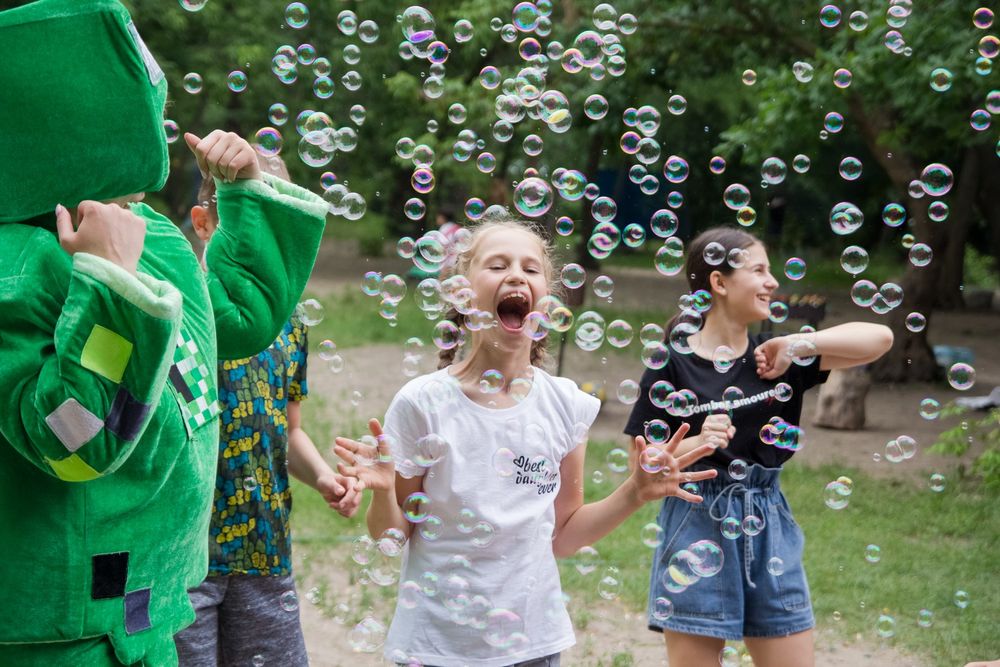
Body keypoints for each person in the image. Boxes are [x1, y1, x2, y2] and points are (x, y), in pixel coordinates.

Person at [0, 1, 329, 664]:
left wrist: (245, 196)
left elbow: (235, 319)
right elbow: (71, 437)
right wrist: (106, 281)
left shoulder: (155, 244)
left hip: (154, 603)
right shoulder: (17, 271)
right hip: (64, 630)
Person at [334, 218, 719, 667]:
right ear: (461, 292)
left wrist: (634, 492)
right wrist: (383, 492)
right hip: (437, 644)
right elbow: (393, 535)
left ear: (547, 301)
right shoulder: (423, 403)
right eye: (497, 265)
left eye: (531, 269)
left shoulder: (564, 404)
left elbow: (563, 534)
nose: (516, 275)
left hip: (531, 643)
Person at [624, 227, 893, 667]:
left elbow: (880, 339)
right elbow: (644, 467)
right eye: (759, 270)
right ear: (719, 281)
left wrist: (798, 343)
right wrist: (696, 442)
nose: (772, 281)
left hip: (768, 520)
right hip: (695, 521)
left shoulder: (778, 357)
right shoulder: (671, 364)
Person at [173, 156, 361, 666]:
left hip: (265, 549)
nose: (265, 246)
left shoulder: (291, 324)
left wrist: (322, 476)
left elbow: (288, 430)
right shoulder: (182, 310)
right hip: (186, 559)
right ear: (205, 223)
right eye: (248, 222)